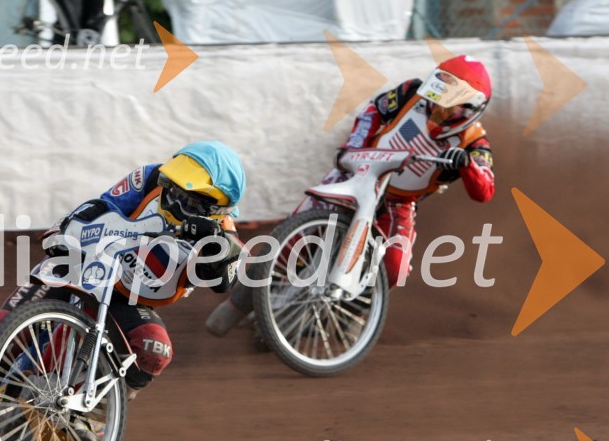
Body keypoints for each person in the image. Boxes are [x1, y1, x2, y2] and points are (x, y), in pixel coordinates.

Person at [0, 141, 246, 441]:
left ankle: (93, 415)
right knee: (4, 329)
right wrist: (68, 231)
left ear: (214, 206)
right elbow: (99, 207)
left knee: (156, 349)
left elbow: (225, 278)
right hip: (82, 267)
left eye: (186, 196)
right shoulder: (150, 178)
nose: (172, 195)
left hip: (124, 302)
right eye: (173, 185)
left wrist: (212, 245)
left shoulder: (222, 237)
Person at [207, 55, 495, 334]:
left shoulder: (475, 144)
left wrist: (467, 164)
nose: (438, 108)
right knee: (292, 237)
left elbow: (484, 190)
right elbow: (374, 110)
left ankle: (351, 311)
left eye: (450, 106)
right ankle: (239, 303)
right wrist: (355, 146)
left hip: (398, 202)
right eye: (436, 96)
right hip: (358, 172)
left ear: (471, 109)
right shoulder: (411, 91)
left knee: (395, 267)